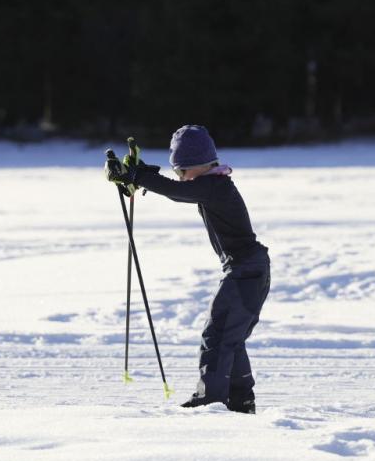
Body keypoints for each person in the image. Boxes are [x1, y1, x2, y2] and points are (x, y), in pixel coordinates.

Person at [108, 125, 270, 414]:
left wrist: (140, 177)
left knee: (216, 334)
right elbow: (179, 188)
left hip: (245, 270)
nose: (180, 176)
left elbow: (178, 191)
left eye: (182, 171)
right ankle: (241, 398)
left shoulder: (214, 186)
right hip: (250, 269)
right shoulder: (213, 184)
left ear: (197, 165)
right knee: (230, 336)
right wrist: (142, 175)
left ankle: (212, 399)